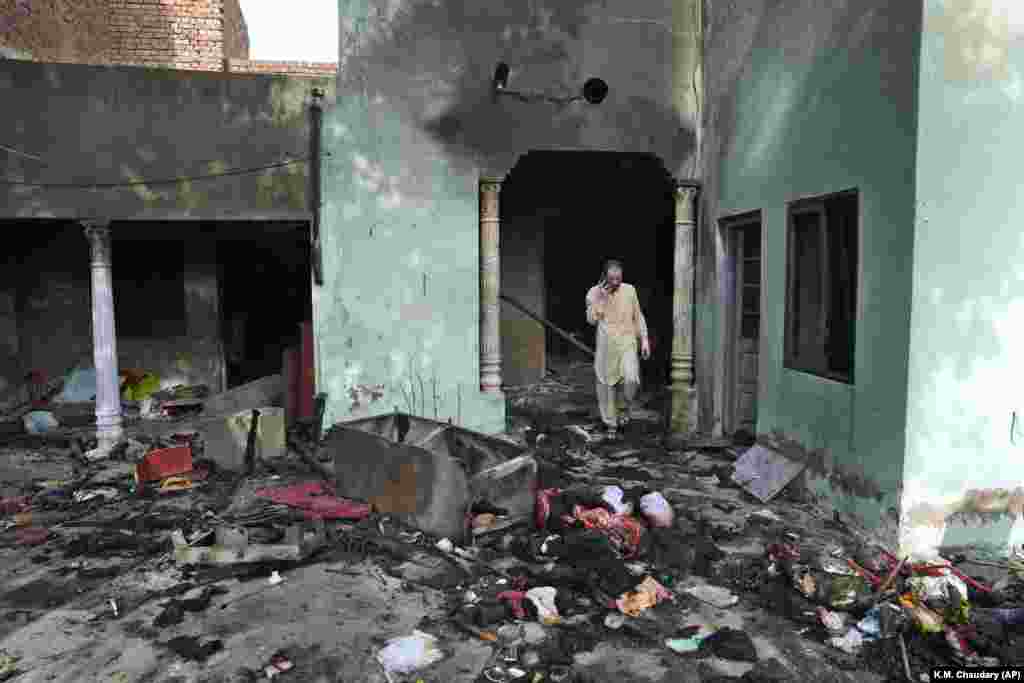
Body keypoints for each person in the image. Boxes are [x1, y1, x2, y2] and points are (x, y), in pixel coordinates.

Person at [585, 259, 650, 438]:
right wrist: (602, 299)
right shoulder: (593, 293)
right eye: (612, 279)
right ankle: (610, 424)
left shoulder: (629, 290)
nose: (616, 282)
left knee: (631, 378)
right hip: (607, 346)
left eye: (618, 278)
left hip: (628, 342)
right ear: (604, 277)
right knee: (606, 386)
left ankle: (622, 408)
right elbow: (591, 319)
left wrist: (644, 339)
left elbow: (638, 316)